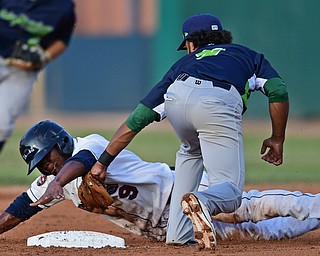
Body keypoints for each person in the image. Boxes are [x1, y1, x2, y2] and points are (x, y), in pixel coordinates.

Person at [86, 13, 289, 250]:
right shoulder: (246, 55)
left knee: (191, 152)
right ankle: (202, 201)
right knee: (231, 193)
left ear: (191, 44)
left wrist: (102, 163)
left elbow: (137, 119)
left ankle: (178, 233)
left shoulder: (182, 63)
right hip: (216, 102)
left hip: (177, 98)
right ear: (223, 37)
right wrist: (277, 138)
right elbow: (278, 91)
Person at [0, 120, 318, 243]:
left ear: (60, 143)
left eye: (46, 158)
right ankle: (315, 220)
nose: (45, 167)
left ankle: (314, 205)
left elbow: (80, 164)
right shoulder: (50, 179)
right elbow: (19, 210)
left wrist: (59, 182)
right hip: (163, 229)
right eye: (39, 164)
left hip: (180, 190)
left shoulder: (91, 145)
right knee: (253, 235)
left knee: (251, 207)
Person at [0, 0, 76, 153]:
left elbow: (62, 40)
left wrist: (44, 57)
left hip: (22, 72)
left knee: (2, 124)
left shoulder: (63, 7)